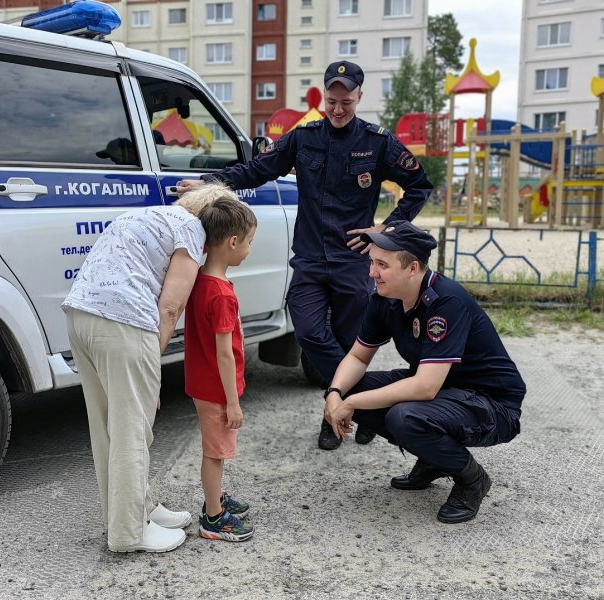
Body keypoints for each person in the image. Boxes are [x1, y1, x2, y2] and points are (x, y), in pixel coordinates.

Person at [176, 60, 433, 452]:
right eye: (332, 100)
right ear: (324, 96)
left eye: (346, 101)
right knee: (310, 333)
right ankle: (365, 407)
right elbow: (259, 169)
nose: (338, 109)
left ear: (359, 97)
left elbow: (419, 185)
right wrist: (214, 182)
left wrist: (387, 228)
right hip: (311, 258)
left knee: (351, 343)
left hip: (352, 260)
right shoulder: (304, 138)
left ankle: (335, 417)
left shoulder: (378, 142)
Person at [324, 221, 526, 523]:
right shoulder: (385, 298)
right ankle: (434, 459)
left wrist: (352, 404)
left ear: (412, 268)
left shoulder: (446, 301)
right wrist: (336, 393)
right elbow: (357, 356)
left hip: (491, 404)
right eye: (371, 262)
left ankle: (472, 479)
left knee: (404, 416)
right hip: (445, 394)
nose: (372, 273)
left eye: (382, 264)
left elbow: (425, 388)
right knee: (353, 388)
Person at [62, 184, 224, 553]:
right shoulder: (192, 230)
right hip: (124, 323)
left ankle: (142, 508)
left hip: (81, 316)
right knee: (132, 432)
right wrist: (152, 366)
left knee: (108, 429)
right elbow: (170, 307)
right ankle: (130, 533)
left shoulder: (147, 215)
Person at [184, 192, 258, 542]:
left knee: (215, 449)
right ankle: (213, 517)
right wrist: (233, 401)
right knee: (215, 453)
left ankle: (216, 499)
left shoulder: (198, 279)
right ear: (231, 242)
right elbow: (225, 353)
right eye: (248, 243)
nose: (248, 249)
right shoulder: (222, 294)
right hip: (217, 389)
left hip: (201, 382)